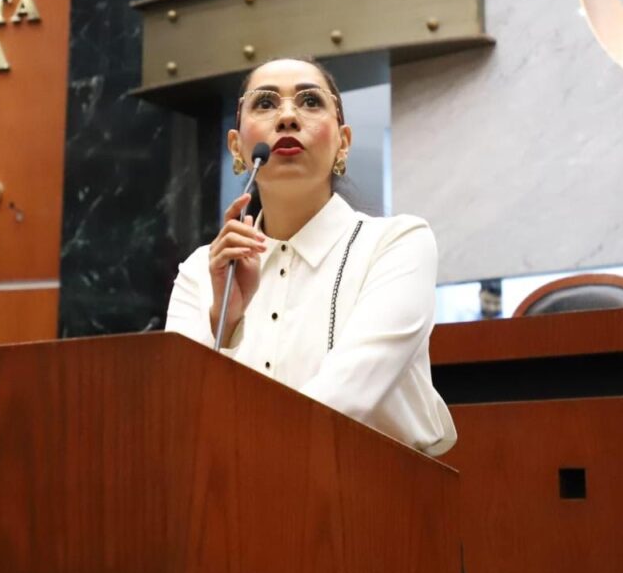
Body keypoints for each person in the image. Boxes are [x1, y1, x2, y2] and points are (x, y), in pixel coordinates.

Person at [165, 58, 456, 456]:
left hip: (373, 485)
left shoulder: (398, 245)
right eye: (265, 103)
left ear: (343, 142)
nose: (287, 117)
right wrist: (225, 322)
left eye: (310, 101)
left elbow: (348, 392)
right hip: (227, 487)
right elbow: (179, 413)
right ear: (236, 147)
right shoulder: (201, 271)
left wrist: (249, 458)